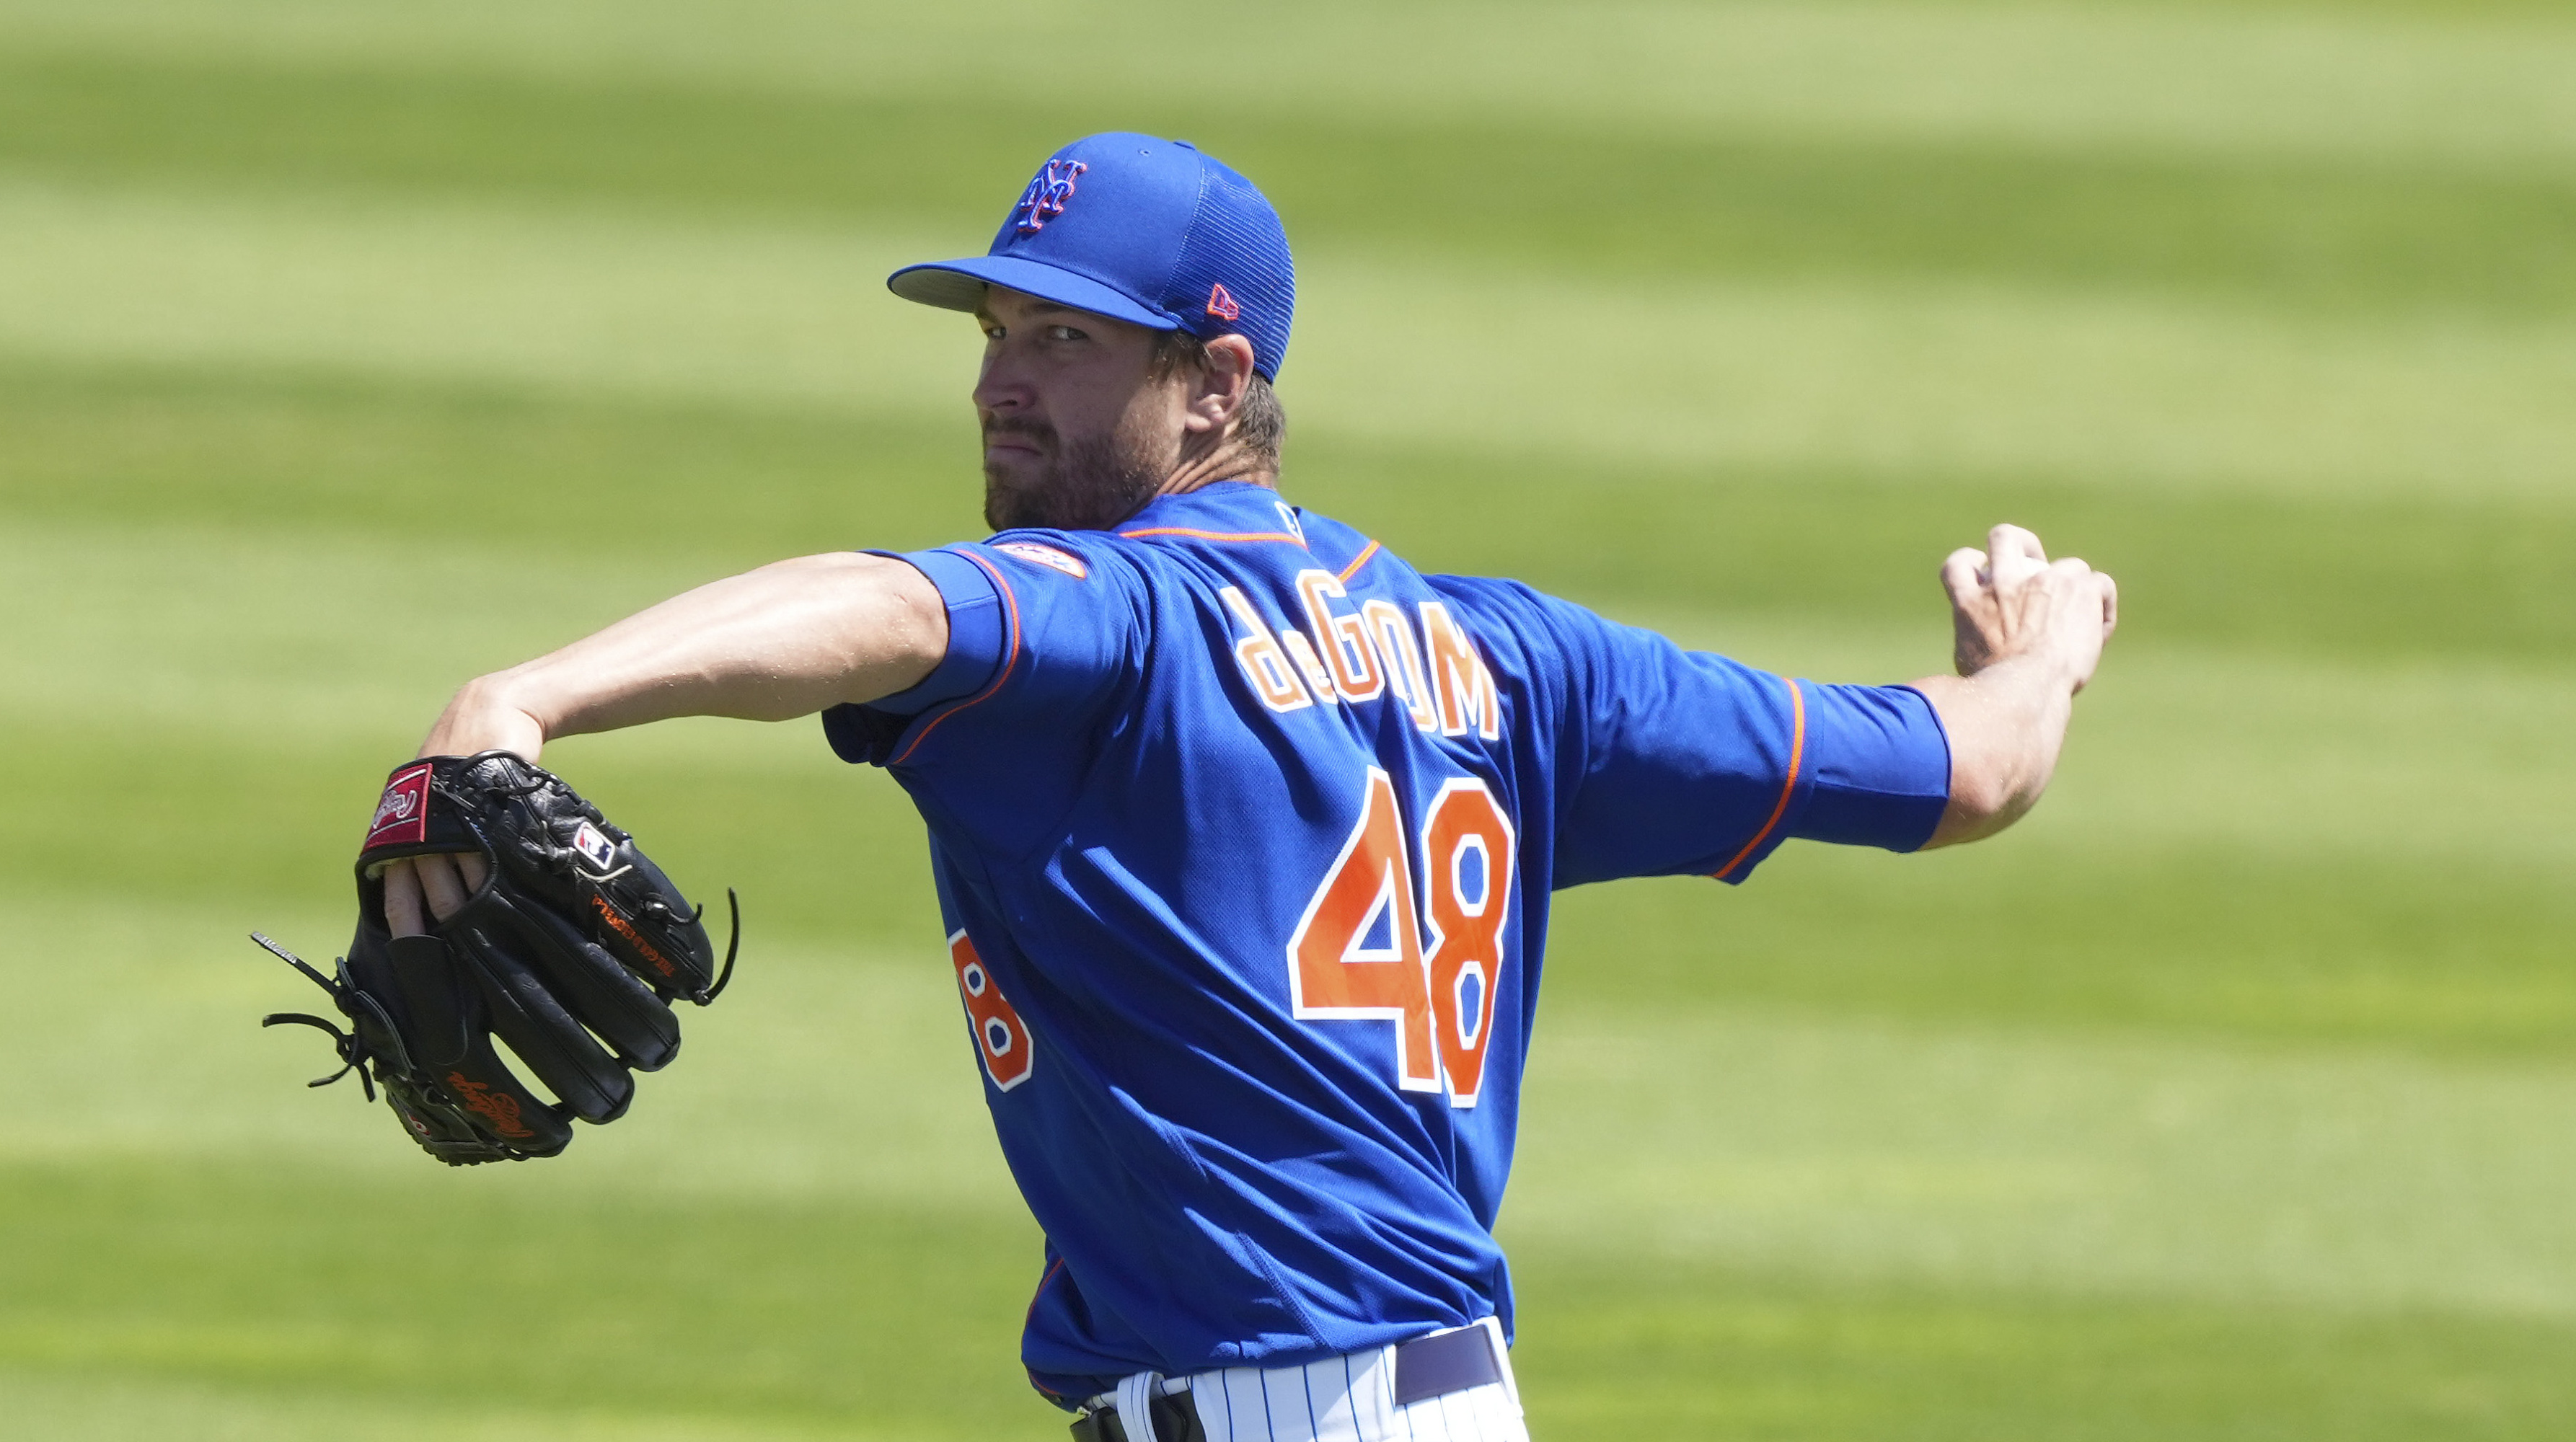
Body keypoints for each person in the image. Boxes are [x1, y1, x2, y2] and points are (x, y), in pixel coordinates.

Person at [381, 133, 2117, 1442]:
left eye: (1064, 342)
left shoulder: (1128, 616)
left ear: (1216, 383)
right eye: (993, 330)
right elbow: (1972, 771)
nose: (997, 382)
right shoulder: (1513, 664)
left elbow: (886, 609)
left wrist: (520, 699)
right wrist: (2032, 659)